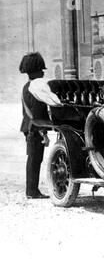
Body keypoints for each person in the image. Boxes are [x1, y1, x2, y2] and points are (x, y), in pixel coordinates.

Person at [19, 52, 62, 199]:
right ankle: (31, 191)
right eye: (41, 69)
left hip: (29, 127)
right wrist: (43, 133)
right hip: (35, 128)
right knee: (34, 159)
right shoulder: (37, 87)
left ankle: (31, 190)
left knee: (34, 158)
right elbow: (37, 114)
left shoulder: (27, 86)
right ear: (35, 71)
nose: (43, 72)